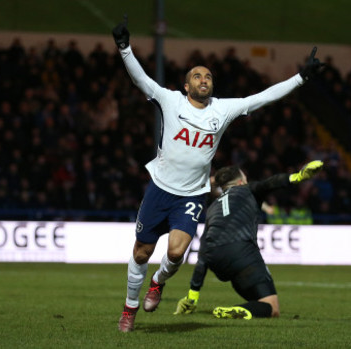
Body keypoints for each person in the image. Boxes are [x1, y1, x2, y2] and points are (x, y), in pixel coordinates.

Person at [112, 16, 324, 332]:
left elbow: (262, 97)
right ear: (186, 85)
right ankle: (129, 309)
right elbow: (142, 80)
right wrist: (125, 48)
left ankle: (158, 282)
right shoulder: (171, 100)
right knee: (141, 252)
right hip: (160, 188)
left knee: (175, 252)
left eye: (208, 76)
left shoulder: (222, 110)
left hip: (192, 194)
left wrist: (300, 79)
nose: (203, 79)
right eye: (197, 75)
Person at [174, 160, 323, 319]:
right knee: (272, 308)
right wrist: (297, 177)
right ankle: (236, 310)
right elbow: (269, 183)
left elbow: (203, 250)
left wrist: (193, 295)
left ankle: (247, 310)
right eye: (245, 179)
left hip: (216, 260)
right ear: (240, 182)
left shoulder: (213, 208)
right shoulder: (246, 190)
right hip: (241, 252)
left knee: (259, 302)